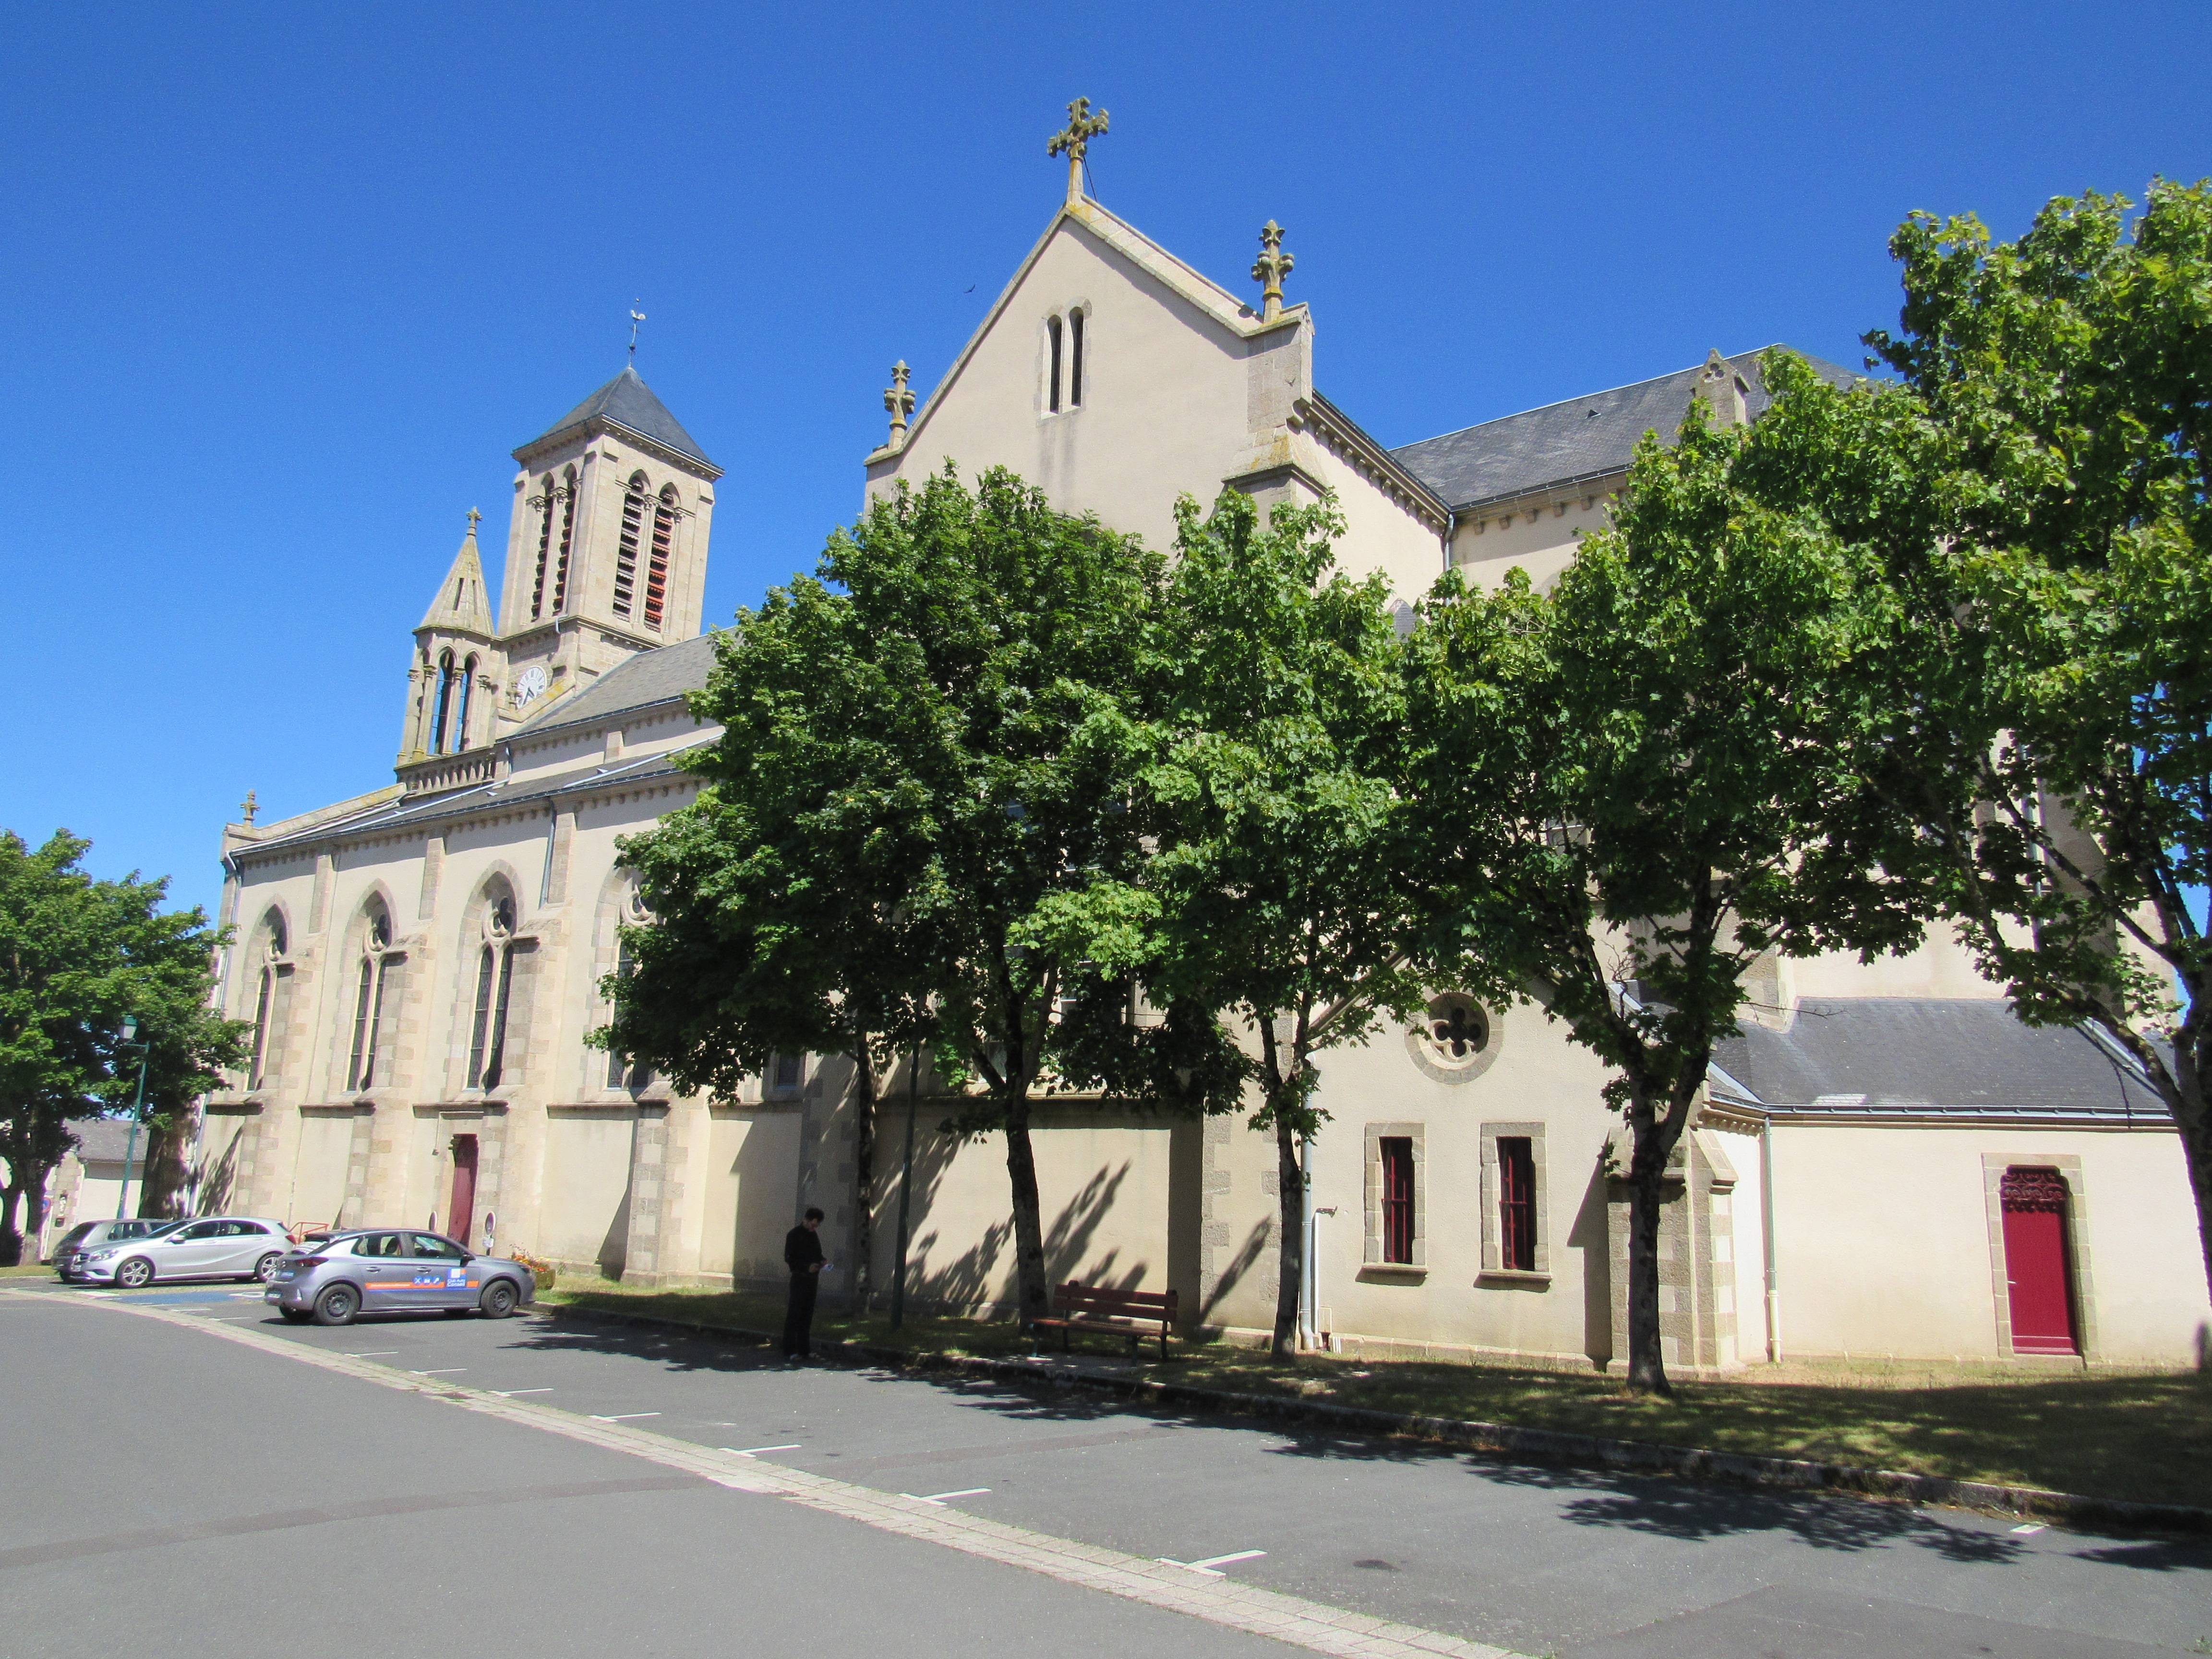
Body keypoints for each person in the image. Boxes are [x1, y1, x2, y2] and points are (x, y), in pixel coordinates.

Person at [781, 1207, 827, 1359]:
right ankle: (789, 1349)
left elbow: (817, 1253)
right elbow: (790, 1259)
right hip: (799, 1278)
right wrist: (806, 1267)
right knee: (795, 1313)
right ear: (806, 1220)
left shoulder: (813, 1236)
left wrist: (822, 1261)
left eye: (817, 1226)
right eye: (813, 1225)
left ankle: (804, 1349)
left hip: (812, 1280)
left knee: (807, 1315)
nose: (814, 1228)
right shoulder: (794, 1235)